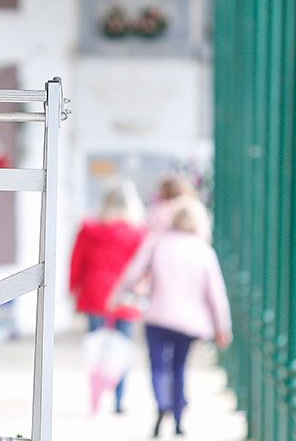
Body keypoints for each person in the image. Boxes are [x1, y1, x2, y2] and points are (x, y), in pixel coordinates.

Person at [111, 198, 232, 438]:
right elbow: (216, 295)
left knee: (157, 365)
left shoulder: (158, 243)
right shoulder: (203, 251)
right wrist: (222, 327)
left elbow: (134, 272)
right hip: (189, 323)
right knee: (179, 367)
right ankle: (178, 418)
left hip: (158, 316)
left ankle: (162, 404)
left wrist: (116, 296)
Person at [69, 179, 148, 414]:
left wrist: (74, 288)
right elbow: (143, 268)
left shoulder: (89, 229)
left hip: (95, 292)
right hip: (125, 295)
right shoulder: (139, 232)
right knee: (121, 349)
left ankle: (96, 395)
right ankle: (119, 399)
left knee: (97, 347)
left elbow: (77, 260)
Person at [146, 175, 211, 241]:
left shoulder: (162, 209)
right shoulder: (196, 205)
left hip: (167, 245)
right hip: (197, 244)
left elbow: (152, 231)